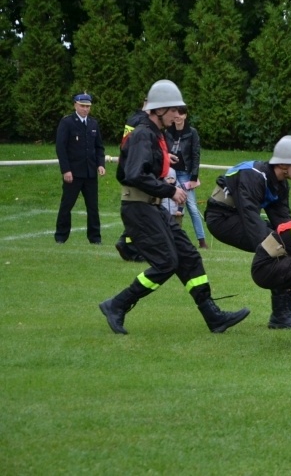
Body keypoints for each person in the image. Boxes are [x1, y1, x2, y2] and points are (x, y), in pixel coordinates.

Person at [98, 80, 250, 335]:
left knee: (189, 256)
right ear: (159, 110)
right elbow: (134, 174)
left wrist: (165, 165)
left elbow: (143, 166)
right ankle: (117, 304)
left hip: (152, 206)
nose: (178, 115)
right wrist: (170, 189)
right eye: (173, 110)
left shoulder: (155, 133)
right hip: (139, 207)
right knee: (166, 262)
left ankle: (213, 317)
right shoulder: (143, 133)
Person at [204, 135, 291, 330]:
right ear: (284, 163)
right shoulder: (253, 175)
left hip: (240, 216)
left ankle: (290, 311)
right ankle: (281, 316)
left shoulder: (281, 184)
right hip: (221, 219)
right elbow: (251, 219)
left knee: (290, 245)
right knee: (276, 249)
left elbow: (283, 223)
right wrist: (273, 249)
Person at [54, 92, 106, 244]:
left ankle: (95, 238)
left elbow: (99, 147)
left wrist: (100, 164)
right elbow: (61, 148)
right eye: (82, 106)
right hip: (73, 173)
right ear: (75, 105)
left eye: (88, 106)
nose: (85, 109)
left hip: (90, 173)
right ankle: (61, 236)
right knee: (66, 205)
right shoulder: (67, 123)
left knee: (93, 208)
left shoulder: (93, 123)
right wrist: (66, 170)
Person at [166, 106, 207, 248]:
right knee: (168, 206)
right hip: (170, 173)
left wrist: (194, 176)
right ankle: (168, 238)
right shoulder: (168, 132)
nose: (176, 119)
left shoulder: (192, 133)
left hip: (185, 173)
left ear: (185, 116)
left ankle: (202, 240)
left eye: (179, 117)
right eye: (174, 117)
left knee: (192, 207)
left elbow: (196, 154)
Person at [115, 101, 149, 262]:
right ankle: (131, 246)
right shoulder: (143, 122)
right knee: (141, 212)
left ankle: (128, 243)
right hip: (136, 169)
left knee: (139, 212)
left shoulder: (133, 118)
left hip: (128, 167)